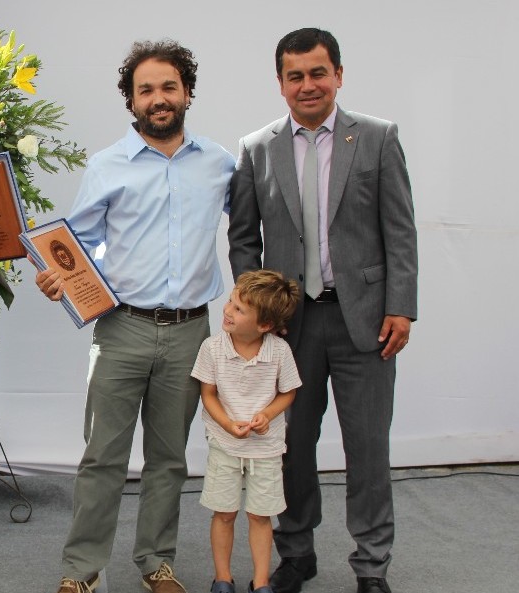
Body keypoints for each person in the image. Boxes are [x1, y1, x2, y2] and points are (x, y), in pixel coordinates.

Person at [35, 40, 235, 593]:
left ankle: (156, 561)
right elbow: (74, 245)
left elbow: (247, 230)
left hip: (192, 331)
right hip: (120, 328)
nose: (158, 98)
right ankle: (82, 571)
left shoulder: (220, 164)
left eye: (169, 86)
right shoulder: (106, 166)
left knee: (169, 459)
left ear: (187, 92)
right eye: (145, 89)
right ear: (132, 101)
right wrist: (58, 277)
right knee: (102, 456)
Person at [228, 28, 418, 593]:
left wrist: (401, 307)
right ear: (281, 83)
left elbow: (400, 230)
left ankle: (371, 565)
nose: (307, 85)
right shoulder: (256, 147)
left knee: (368, 449)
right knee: (290, 448)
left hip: (367, 322)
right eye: (295, 76)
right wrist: (256, 314)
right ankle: (297, 553)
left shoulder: (379, 139)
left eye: (317, 73)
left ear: (338, 74)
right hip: (288, 329)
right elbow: (243, 239)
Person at [190, 270, 302, 593]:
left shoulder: (279, 352)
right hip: (225, 446)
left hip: (265, 450)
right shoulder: (212, 348)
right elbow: (207, 394)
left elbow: (288, 392)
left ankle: (262, 582)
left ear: (265, 325)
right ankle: (223, 579)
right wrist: (227, 425)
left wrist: (267, 415)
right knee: (223, 514)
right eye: (230, 301)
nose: (227, 310)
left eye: (239, 309)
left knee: (260, 516)